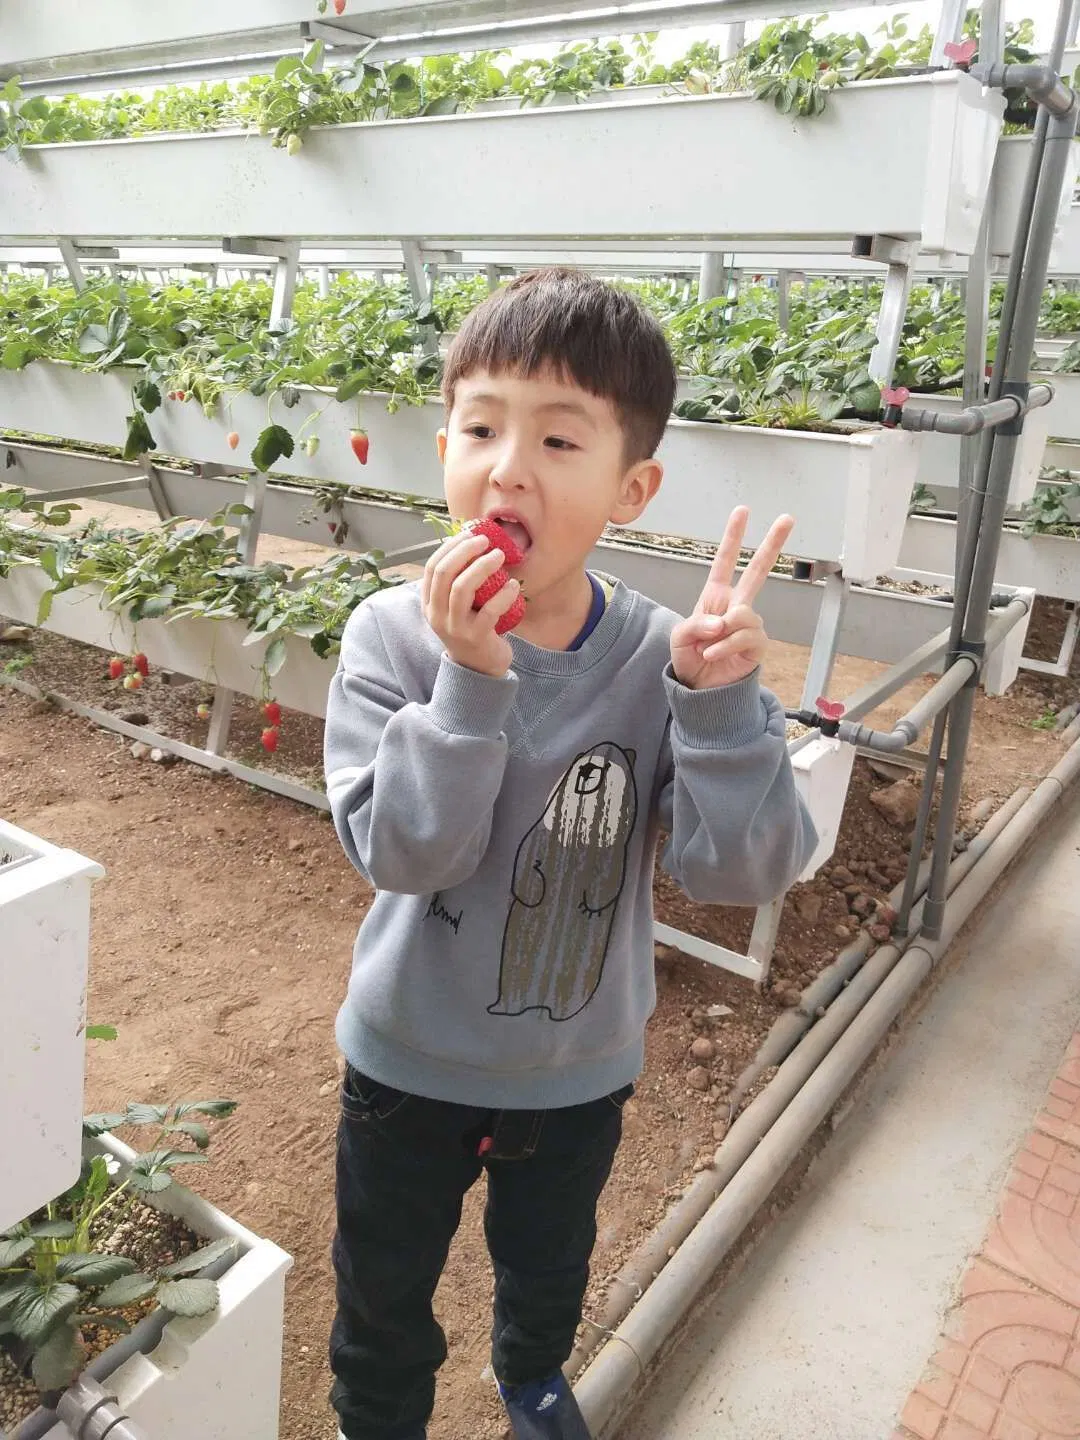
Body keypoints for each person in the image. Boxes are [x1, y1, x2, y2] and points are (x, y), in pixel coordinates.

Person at [323, 267, 817, 1440]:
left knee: (547, 1260)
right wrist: (469, 686)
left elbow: (740, 873)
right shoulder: (392, 637)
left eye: (558, 438)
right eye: (483, 428)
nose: (509, 467)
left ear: (631, 488)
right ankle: (376, 1415)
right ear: (443, 444)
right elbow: (404, 853)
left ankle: (534, 1377)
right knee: (384, 1286)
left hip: (580, 1067)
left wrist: (719, 707)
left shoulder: (664, 656)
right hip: (408, 1062)